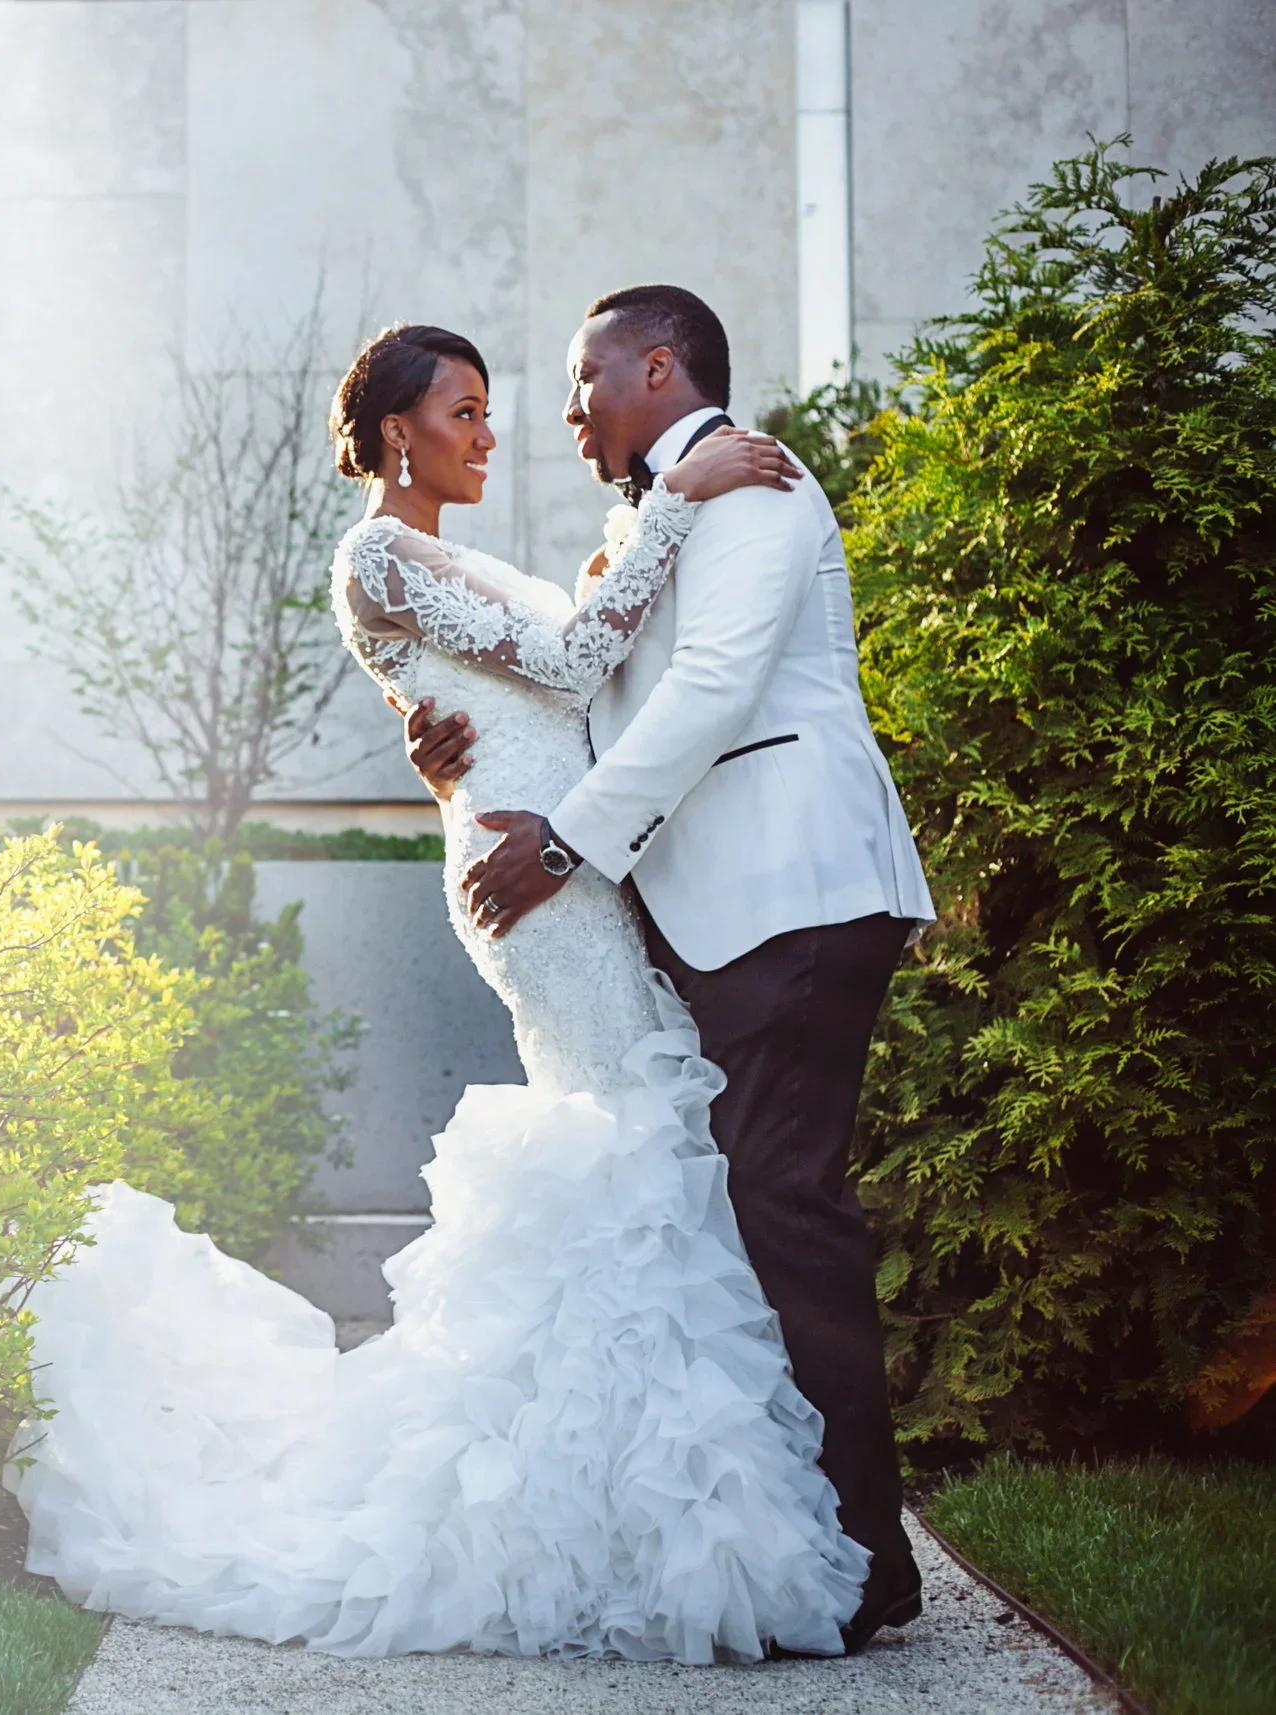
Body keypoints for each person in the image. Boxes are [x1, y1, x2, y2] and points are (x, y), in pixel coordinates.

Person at [7, 319, 877, 1663]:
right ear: (397, 428)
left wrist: (541, 644)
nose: (485, 433)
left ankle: (629, 1497)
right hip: (537, 886)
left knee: (648, 1148)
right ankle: (609, 1507)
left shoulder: (461, 557)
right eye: (463, 411)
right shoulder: (378, 552)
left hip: (572, 858)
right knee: (633, 1143)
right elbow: (581, 661)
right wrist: (672, 513)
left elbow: (565, 684)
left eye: (489, 410)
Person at [408, 285, 936, 1651]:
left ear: (658, 367)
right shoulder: (667, 509)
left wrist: (565, 845)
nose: (569, 410)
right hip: (723, 914)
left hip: (797, 898)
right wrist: (452, 740)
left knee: (780, 1202)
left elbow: (707, 691)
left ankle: (866, 1556)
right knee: (743, 1208)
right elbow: (593, 689)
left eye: (586, 380)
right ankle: (799, 1536)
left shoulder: (751, 488)